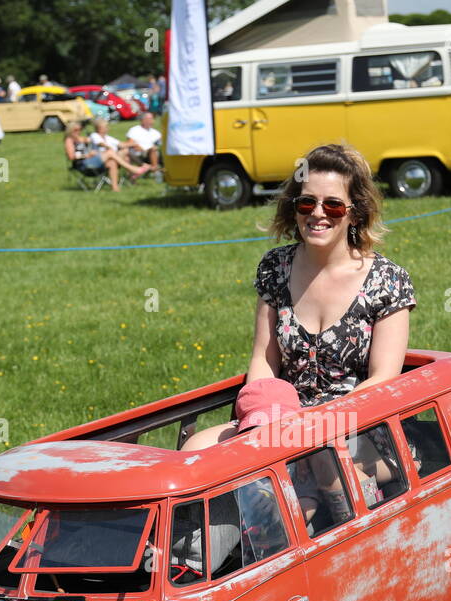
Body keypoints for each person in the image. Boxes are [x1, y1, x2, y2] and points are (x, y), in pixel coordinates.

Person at [180, 143, 415, 461]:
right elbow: (264, 361)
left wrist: (316, 428)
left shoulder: (387, 279)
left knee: (316, 464)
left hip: (359, 427)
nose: (318, 213)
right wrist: (264, 423)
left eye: (333, 205)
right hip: (282, 420)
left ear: (355, 213)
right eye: (307, 203)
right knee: (194, 452)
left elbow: (383, 379)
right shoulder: (275, 267)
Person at [87, 117, 149, 190]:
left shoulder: (108, 137)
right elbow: (100, 143)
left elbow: (121, 144)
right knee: (118, 152)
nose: (108, 128)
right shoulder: (94, 135)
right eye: (106, 127)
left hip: (111, 160)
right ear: (99, 128)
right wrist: (110, 148)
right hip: (99, 161)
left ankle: (116, 187)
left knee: (121, 157)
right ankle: (137, 168)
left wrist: (134, 143)